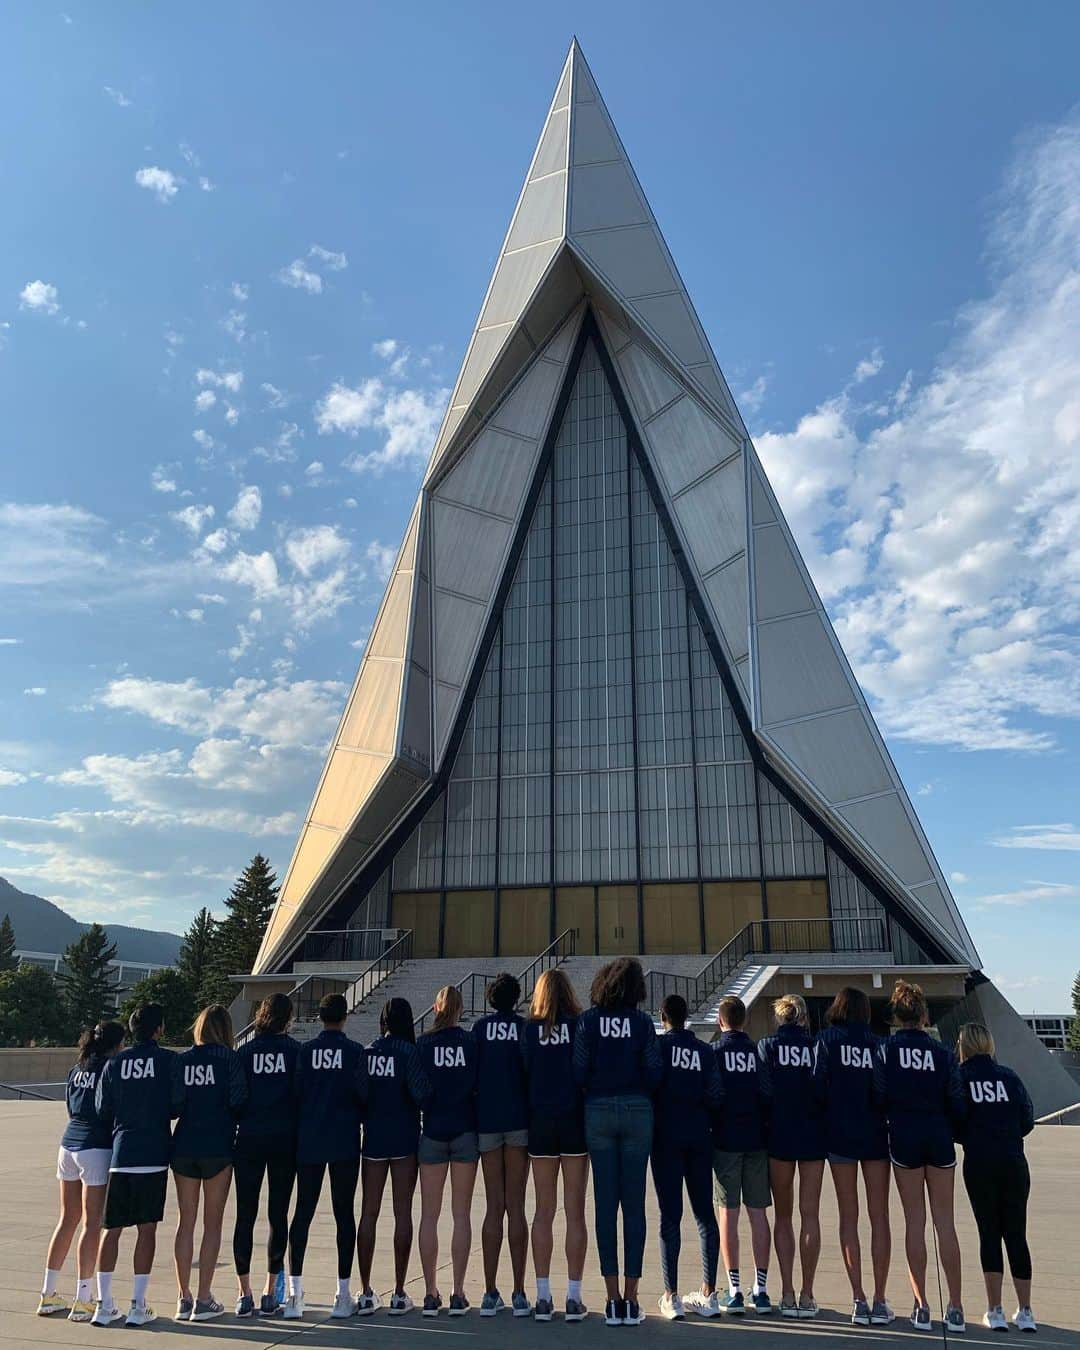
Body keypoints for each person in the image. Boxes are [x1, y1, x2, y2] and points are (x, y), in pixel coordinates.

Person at [573, 956, 661, 1327]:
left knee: (605, 1206)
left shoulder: (588, 1021)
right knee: (635, 1207)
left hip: (599, 1110)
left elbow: (578, 1067)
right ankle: (632, 1297)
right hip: (638, 1109)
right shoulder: (642, 1023)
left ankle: (611, 1300)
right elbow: (655, 1070)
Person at [878, 979, 966, 1333]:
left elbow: (879, 1094)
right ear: (924, 1014)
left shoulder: (886, 1050)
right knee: (944, 1222)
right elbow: (956, 1099)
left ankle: (922, 1305)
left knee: (915, 1222)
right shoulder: (942, 1053)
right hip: (938, 1134)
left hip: (904, 1136)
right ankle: (956, 1307)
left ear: (897, 1016)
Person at [92, 1002, 184, 1328]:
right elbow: (176, 1104)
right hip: (154, 1153)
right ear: (159, 1029)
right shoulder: (168, 1060)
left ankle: (103, 1304)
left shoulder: (115, 1063)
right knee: (147, 1230)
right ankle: (138, 1302)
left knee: (111, 1229)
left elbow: (103, 1107)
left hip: (121, 1152)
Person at [284, 992, 368, 1321]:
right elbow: (364, 1093)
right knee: (343, 1215)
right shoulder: (355, 1052)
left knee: (302, 1212)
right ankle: (342, 1293)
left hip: (311, 1140)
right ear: (345, 1017)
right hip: (344, 1140)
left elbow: (297, 1093)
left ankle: (294, 1294)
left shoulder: (306, 1052)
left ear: (319, 1018)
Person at [815, 986, 893, 1325]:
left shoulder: (827, 1041)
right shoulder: (878, 1044)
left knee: (849, 1216)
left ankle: (858, 1298)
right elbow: (883, 1089)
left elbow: (817, 1085)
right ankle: (879, 1298)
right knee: (879, 1217)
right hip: (875, 1135)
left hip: (840, 1136)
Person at [37, 1020, 125, 1322]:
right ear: (116, 1044)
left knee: (67, 1219)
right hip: (96, 1147)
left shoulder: (77, 1070)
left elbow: (71, 1108)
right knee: (92, 1224)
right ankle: (84, 1297)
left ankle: (48, 1293)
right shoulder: (110, 1070)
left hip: (68, 1144)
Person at [956, 1022, 1037, 1333]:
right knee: (1016, 1235)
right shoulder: (1009, 1077)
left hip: (979, 1163)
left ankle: (995, 1309)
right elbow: (1027, 1118)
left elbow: (956, 1118)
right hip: (1014, 1162)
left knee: (989, 1234)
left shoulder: (961, 1078)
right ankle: (1026, 1310)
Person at [171, 1004, 246, 1322]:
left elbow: (174, 1104)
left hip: (185, 1144)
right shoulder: (231, 1059)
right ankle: (204, 1297)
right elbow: (238, 1100)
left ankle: (183, 1296)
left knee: (185, 1221)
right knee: (212, 1223)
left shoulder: (182, 1060)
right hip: (218, 1146)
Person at [651, 994, 723, 1321]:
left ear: (662, 1017)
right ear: (688, 1017)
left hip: (666, 1136)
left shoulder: (659, 1048)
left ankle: (671, 1295)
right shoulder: (704, 1051)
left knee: (670, 1216)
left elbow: (651, 1083)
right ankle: (708, 1293)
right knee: (704, 1214)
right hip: (698, 1135)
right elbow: (716, 1094)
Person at [356, 997, 429, 1316]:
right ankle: (399, 1291)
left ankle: (366, 1289)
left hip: (373, 1139)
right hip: (404, 1139)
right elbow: (421, 1094)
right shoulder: (409, 1053)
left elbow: (359, 1095)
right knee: (403, 1213)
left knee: (368, 1213)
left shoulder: (367, 1052)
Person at [522, 968, 588, 1323]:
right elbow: (582, 1070)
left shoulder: (530, 1029)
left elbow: (526, 1069)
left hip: (541, 1122)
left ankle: (543, 1296)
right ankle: (574, 1297)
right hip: (573, 1121)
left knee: (543, 1210)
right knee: (575, 1210)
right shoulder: (579, 1026)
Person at [758, 994, 826, 1319]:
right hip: (812, 1133)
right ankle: (808, 1294)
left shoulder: (768, 1046)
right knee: (810, 1214)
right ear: (802, 1018)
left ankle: (786, 1292)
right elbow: (823, 1088)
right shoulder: (816, 1048)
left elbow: (764, 1091)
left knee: (783, 1217)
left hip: (780, 1134)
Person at [233, 992, 300, 1317]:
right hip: (283, 1139)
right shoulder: (294, 1053)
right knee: (278, 1215)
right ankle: (269, 1288)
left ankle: (243, 1292)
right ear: (287, 1018)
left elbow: (237, 1097)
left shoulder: (245, 1053)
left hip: (249, 1138)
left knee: (245, 1215)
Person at [415, 984, 480, 1316]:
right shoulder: (470, 1042)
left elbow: (419, 1088)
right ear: (460, 1010)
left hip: (434, 1130)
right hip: (465, 1129)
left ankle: (429, 1292)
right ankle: (457, 1291)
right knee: (461, 1214)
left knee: (429, 1215)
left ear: (436, 1008)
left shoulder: (424, 1044)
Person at [710, 994, 772, 1316]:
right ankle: (761, 1290)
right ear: (744, 1020)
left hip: (726, 1141)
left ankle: (734, 1290)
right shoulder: (756, 1051)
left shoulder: (715, 1052)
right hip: (756, 1139)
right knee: (758, 1213)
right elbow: (767, 1092)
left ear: (721, 1022)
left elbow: (714, 1094)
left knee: (727, 1215)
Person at [473, 973, 531, 1317]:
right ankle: (520, 1291)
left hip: (488, 1122)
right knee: (516, 1205)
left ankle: (490, 1290)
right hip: (518, 1120)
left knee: (494, 1204)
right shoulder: (523, 1029)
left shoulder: (480, 1030)